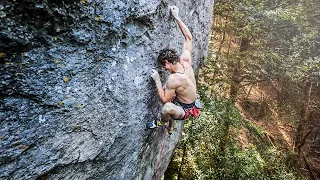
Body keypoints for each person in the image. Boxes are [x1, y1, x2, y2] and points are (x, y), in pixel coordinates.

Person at [146, 6, 201, 134]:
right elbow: (188, 38)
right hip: (188, 100)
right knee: (173, 95)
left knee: (167, 108)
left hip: (185, 109)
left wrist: (158, 80)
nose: (164, 69)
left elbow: (164, 100)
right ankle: (171, 127)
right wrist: (177, 16)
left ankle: (162, 122)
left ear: (167, 62)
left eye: (163, 66)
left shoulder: (173, 79)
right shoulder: (185, 60)